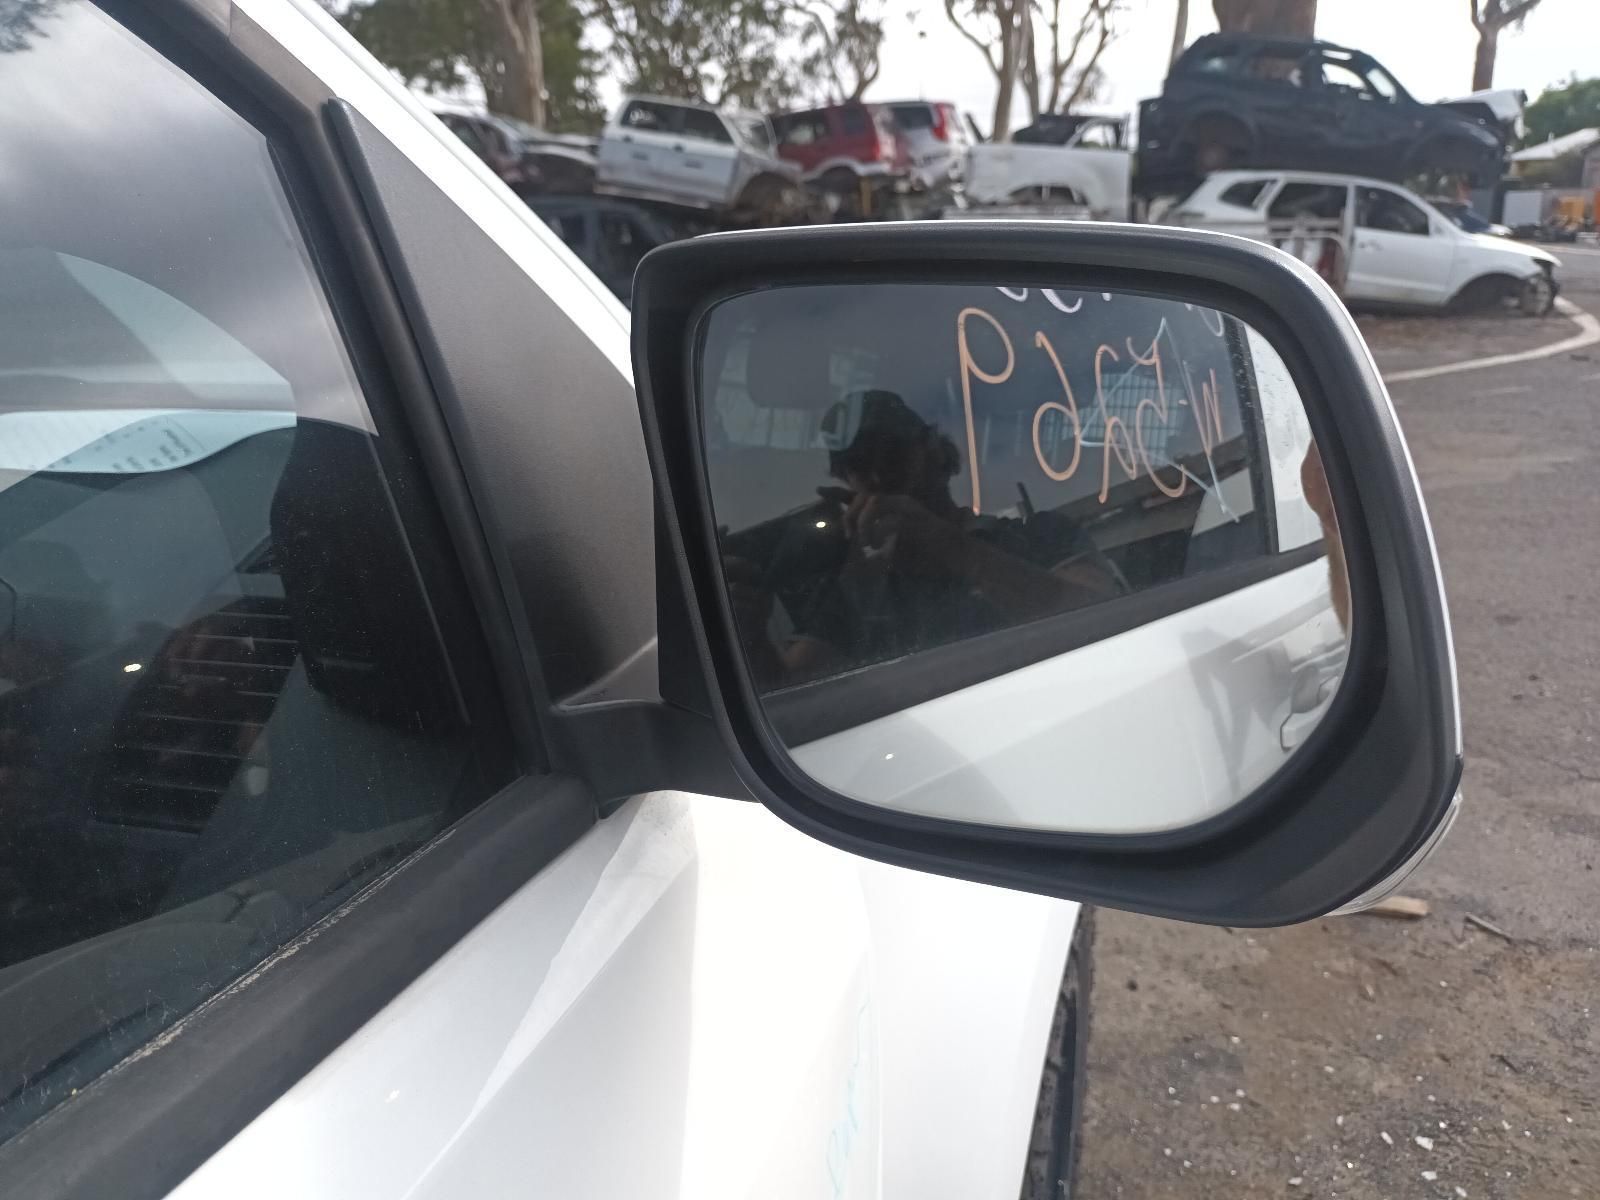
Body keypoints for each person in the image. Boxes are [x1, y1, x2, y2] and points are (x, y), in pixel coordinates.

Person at [726, 390, 1117, 689]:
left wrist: (946, 544)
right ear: (845, 483)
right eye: (859, 465)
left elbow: (1108, 621)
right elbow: (796, 694)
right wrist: (751, 639)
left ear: (935, 454)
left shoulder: (1043, 535)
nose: (878, 477)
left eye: (892, 455)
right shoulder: (858, 590)